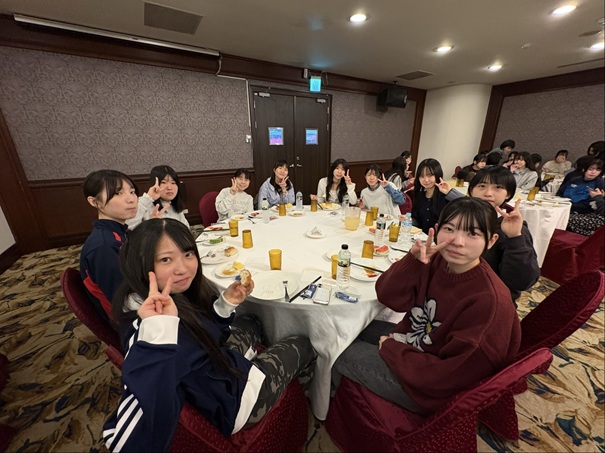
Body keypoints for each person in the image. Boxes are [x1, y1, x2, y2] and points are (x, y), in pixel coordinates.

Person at [104, 219, 316, 452]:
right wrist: (160, 334)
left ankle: (259, 363)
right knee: (304, 344)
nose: (183, 268)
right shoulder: (151, 331)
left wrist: (225, 304)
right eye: (166, 259)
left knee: (252, 321)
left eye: (187, 254)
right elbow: (127, 444)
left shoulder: (157, 297)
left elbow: (200, 339)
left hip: (216, 368)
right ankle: (302, 408)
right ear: (140, 264)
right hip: (234, 401)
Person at [332, 197, 521, 415]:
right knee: (346, 329)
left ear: (491, 240)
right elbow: (388, 297)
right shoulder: (438, 260)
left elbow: (454, 377)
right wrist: (412, 260)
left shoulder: (488, 302)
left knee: (338, 351)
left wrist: (393, 349)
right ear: (437, 230)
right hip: (421, 345)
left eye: (473, 234)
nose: (458, 242)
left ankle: (337, 407)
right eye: (449, 229)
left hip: (437, 392)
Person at [468, 166, 540, 302]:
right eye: (482, 186)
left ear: (508, 194)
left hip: (491, 300)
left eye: (498, 187)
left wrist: (515, 238)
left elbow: (523, 281)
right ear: (471, 190)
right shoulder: (463, 219)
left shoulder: (513, 228)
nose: (488, 193)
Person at [80, 169, 139, 320]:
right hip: (130, 320)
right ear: (95, 202)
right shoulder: (104, 246)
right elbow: (125, 303)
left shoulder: (119, 232)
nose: (131, 199)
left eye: (132, 192)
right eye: (118, 193)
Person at [127, 165, 189, 230]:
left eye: (173, 183)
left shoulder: (174, 205)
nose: (169, 187)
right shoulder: (143, 204)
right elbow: (128, 226)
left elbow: (186, 230)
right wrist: (148, 198)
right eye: (163, 182)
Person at [411, 158, 463, 234]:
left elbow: (470, 205)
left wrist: (449, 192)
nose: (426, 180)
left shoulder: (446, 196)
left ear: (437, 175)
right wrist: (409, 220)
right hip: (422, 238)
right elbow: (417, 221)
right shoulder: (419, 196)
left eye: (430, 175)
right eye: (422, 176)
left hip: (442, 238)